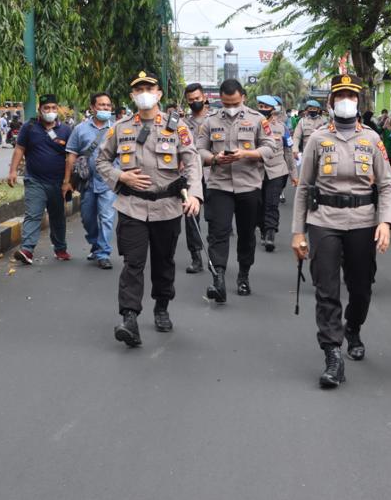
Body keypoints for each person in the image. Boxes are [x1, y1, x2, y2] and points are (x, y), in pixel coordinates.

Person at [292, 74, 391, 388]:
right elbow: (304, 187)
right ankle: (332, 354)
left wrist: (385, 223)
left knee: (361, 287)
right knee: (326, 289)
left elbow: (388, 185)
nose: (346, 100)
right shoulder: (317, 138)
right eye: (340, 96)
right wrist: (298, 232)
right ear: (330, 103)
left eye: (351, 95)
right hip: (323, 219)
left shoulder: (373, 140)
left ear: (358, 101)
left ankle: (353, 327)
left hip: (363, 221)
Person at [96, 71, 203, 345]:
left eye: (149, 87)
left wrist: (194, 196)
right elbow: (102, 161)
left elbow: (192, 162)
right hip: (131, 206)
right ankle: (129, 318)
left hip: (167, 207)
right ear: (132, 95)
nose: (144, 92)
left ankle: (162, 306)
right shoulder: (120, 127)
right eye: (138, 88)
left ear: (159, 94)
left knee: (164, 261)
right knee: (133, 262)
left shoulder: (177, 127)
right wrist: (121, 176)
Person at [196, 78, 279, 302]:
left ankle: (244, 275)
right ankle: (219, 278)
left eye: (234, 102)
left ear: (243, 97)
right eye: (225, 103)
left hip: (249, 185)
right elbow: (198, 151)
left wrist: (246, 154)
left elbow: (271, 147)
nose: (230, 107)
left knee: (246, 234)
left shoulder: (257, 120)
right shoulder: (210, 121)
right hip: (219, 184)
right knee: (218, 232)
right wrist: (214, 159)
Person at [8, 95, 72, 264]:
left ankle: (60, 248)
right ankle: (27, 250)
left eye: (53, 108)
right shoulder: (29, 128)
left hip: (58, 183)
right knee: (33, 214)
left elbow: (70, 158)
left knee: (57, 216)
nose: (50, 111)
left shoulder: (66, 130)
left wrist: (68, 181)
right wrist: (13, 171)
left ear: (57, 109)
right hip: (35, 180)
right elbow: (19, 149)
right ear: (40, 110)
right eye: (46, 108)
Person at [63, 91, 116, 269]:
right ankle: (96, 243)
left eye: (108, 105)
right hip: (87, 183)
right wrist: (67, 181)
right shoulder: (80, 129)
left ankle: (103, 253)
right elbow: (71, 155)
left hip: (109, 183)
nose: (105, 108)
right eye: (102, 105)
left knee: (107, 218)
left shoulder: (117, 128)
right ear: (93, 107)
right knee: (87, 219)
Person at [182, 83, 213, 273]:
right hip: (190, 176)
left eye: (197, 98)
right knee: (191, 216)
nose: (195, 102)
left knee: (216, 219)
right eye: (191, 99)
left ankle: (216, 258)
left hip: (214, 175)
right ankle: (196, 257)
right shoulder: (181, 123)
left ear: (204, 97)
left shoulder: (215, 120)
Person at [255, 95, 290, 252]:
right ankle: (262, 228)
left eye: (265, 107)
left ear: (272, 109)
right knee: (258, 204)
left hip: (277, 170)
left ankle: (270, 233)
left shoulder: (283, 128)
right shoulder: (251, 125)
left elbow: (288, 152)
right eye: (260, 106)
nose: (262, 110)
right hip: (256, 171)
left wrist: (294, 175)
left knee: (271, 203)